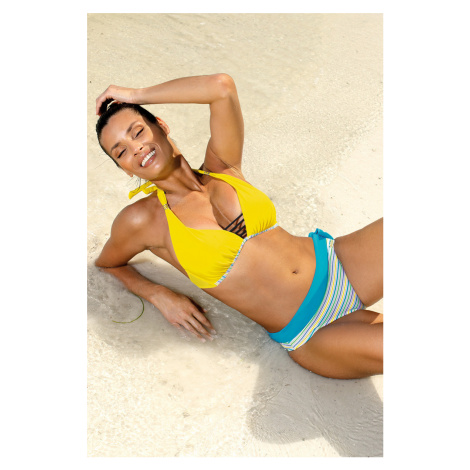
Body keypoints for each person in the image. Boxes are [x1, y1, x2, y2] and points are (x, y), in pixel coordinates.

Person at [94, 73, 383, 380]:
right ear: (124, 170)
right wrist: (158, 295)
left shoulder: (222, 166)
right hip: (311, 330)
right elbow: (109, 264)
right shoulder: (143, 220)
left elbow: (221, 87)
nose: (136, 149)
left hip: (340, 264)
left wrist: (134, 96)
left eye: (138, 132)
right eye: (121, 152)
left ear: (162, 126)